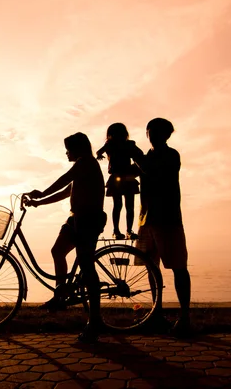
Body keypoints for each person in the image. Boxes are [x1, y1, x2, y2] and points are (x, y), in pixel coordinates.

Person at [26, 132, 106, 343]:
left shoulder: (85, 163)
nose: (66, 152)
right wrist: (39, 202)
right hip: (75, 219)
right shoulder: (83, 166)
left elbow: (63, 180)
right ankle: (60, 296)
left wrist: (41, 193)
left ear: (78, 149)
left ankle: (95, 321)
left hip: (88, 220)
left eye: (68, 148)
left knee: (87, 268)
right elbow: (65, 192)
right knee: (57, 251)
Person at [133, 118, 192, 336]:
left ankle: (185, 317)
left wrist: (135, 156)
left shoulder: (170, 155)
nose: (153, 135)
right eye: (151, 131)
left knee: (178, 267)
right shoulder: (146, 157)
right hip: (147, 220)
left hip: (168, 219)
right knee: (151, 267)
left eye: (158, 132)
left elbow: (152, 172)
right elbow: (132, 172)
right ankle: (156, 312)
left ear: (167, 135)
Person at [96, 123, 142, 240]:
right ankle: (121, 230)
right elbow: (140, 154)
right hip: (123, 177)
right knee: (123, 205)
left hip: (124, 177)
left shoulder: (121, 145)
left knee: (123, 205)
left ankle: (125, 230)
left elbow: (99, 152)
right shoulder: (115, 145)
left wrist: (100, 155)